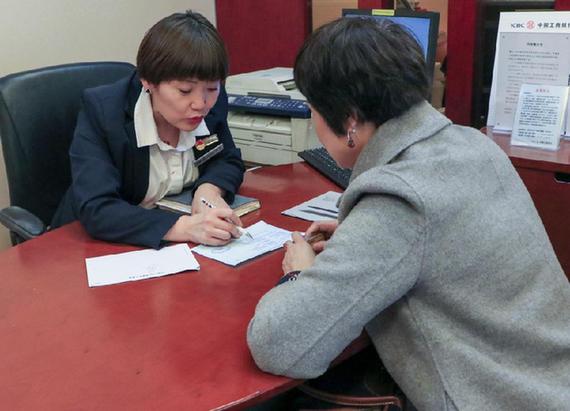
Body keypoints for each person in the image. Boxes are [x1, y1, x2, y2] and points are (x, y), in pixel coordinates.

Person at [247, 17, 570, 410]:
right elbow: (439, 241)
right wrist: (359, 233)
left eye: (313, 108)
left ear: (348, 120)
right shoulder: (473, 144)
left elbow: (279, 345)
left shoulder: (398, 199)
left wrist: (299, 273)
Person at [51, 11, 245, 249]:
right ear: (148, 81)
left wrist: (208, 191)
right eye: (185, 91)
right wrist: (186, 227)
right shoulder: (103, 112)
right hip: (89, 247)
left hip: (173, 250)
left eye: (212, 88)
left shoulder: (211, 104)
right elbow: (97, 208)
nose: (200, 103)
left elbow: (227, 159)